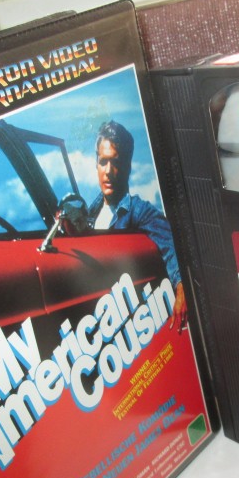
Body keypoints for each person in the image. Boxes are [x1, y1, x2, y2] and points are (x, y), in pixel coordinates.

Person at [88, 120, 187, 331]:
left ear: (128, 167)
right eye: (103, 161)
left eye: (116, 162)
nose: (108, 171)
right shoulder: (90, 212)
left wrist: (181, 287)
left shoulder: (140, 211)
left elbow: (170, 246)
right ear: (96, 164)